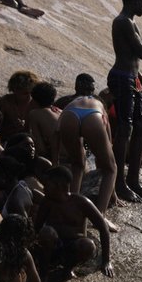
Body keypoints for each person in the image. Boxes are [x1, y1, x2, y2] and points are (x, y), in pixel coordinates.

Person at [109, 0, 142, 203]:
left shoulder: (130, 22)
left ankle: (133, 180)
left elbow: (135, 62)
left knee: (141, 124)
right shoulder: (123, 22)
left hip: (132, 78)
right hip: (122, 78)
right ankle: (119, 183)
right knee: (125, 127)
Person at [34, 166, 113, 279]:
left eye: (47, 184)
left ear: (59, 186)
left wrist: (106, 261)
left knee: (88, 245)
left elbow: (103, 227)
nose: (44, 188)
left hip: (73, 247)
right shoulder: (47, 203)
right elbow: (37, 227)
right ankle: (43, 275)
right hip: (53, 246)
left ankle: (67, 270)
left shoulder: (81, 203)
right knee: (47, 232)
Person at [59, 87, 116, 218]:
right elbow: (109, 146)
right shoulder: (101, 108)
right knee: (111, 169)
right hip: (93, 117)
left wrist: (55, 161)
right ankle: (100, 215)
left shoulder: (74, 102)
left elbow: (56, 132)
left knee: (78, 165)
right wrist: (112, 193)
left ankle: (70, 206)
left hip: (69, 115)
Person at [0, 71, 40, 141]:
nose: (29, 97)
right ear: (14, 90)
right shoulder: (4, 102)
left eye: (31, 93)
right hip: (6, 141)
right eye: (25, 93)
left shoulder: (35, 104)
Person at [28, 82, 60, 164]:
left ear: (34, 100)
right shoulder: (60, 111)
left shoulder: (35, 114)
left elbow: (41, 149)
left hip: (60, 162)